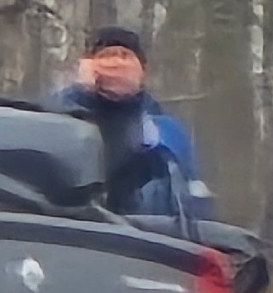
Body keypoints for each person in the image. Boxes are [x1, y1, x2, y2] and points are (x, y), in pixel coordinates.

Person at [54, 26, 213, 224]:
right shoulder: (55, 118)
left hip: (144, 244)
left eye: (125, 55)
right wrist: (82, 94)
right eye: (107, 55)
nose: (117, 62)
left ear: (142, 70)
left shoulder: (167, 133)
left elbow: (194, 202)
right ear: (87, 66)